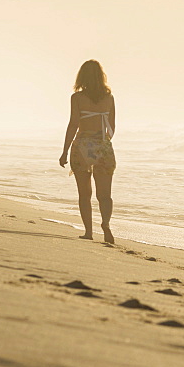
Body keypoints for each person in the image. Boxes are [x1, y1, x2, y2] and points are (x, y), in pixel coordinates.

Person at [59, 60, 117, 243]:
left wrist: (65, 150)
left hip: (83, 145)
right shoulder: (109, 98)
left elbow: (74, 124)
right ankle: (106, 224)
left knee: (85, 194)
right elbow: (112, 128)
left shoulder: (77, 98)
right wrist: (103, 144)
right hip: (103, 145)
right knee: (105, 195)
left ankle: (88, 232)